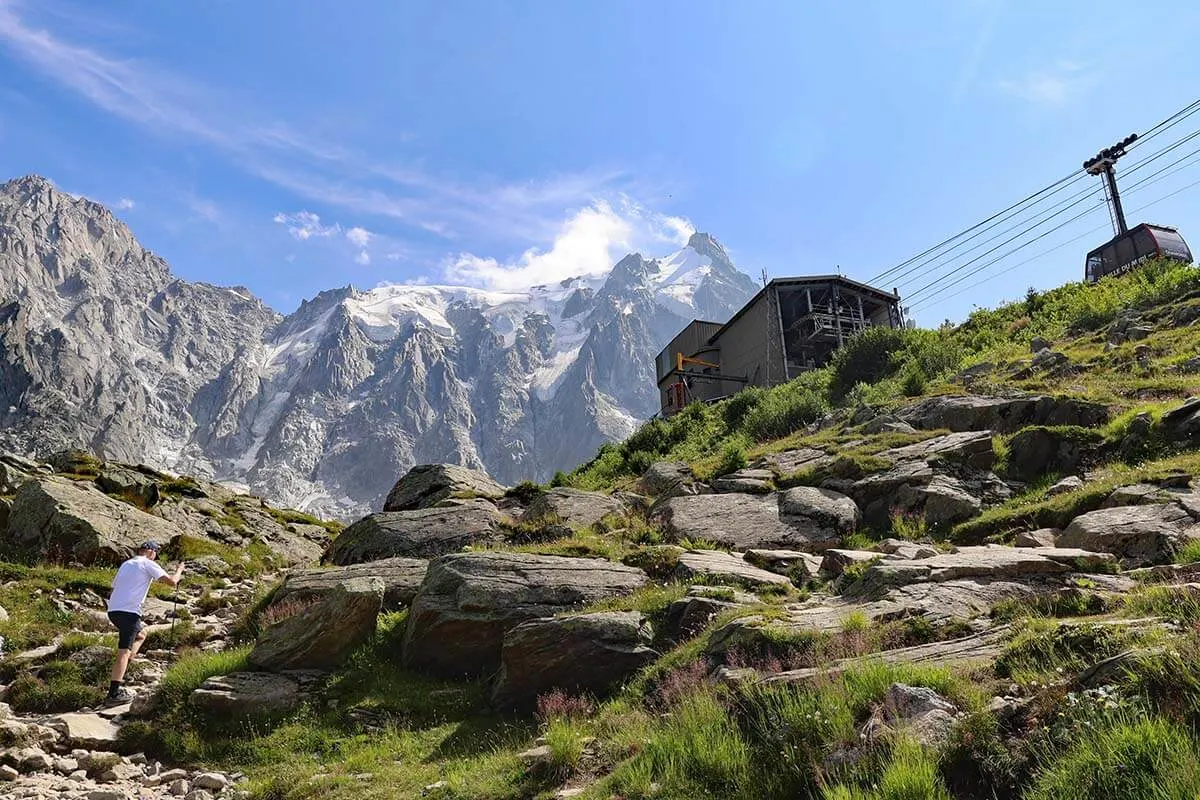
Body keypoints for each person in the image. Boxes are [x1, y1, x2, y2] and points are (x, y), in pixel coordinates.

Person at [104, 540, 183, 706]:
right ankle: (113, 694)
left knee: (141, 635)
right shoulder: (147, 563)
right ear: (151, 552)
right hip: (129, 613)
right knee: (123, 652)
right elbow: (172, 582)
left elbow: (114, 587)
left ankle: (123, 669)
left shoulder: (126, 564)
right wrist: (179, 571)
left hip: (113, 611)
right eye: (155, 555)